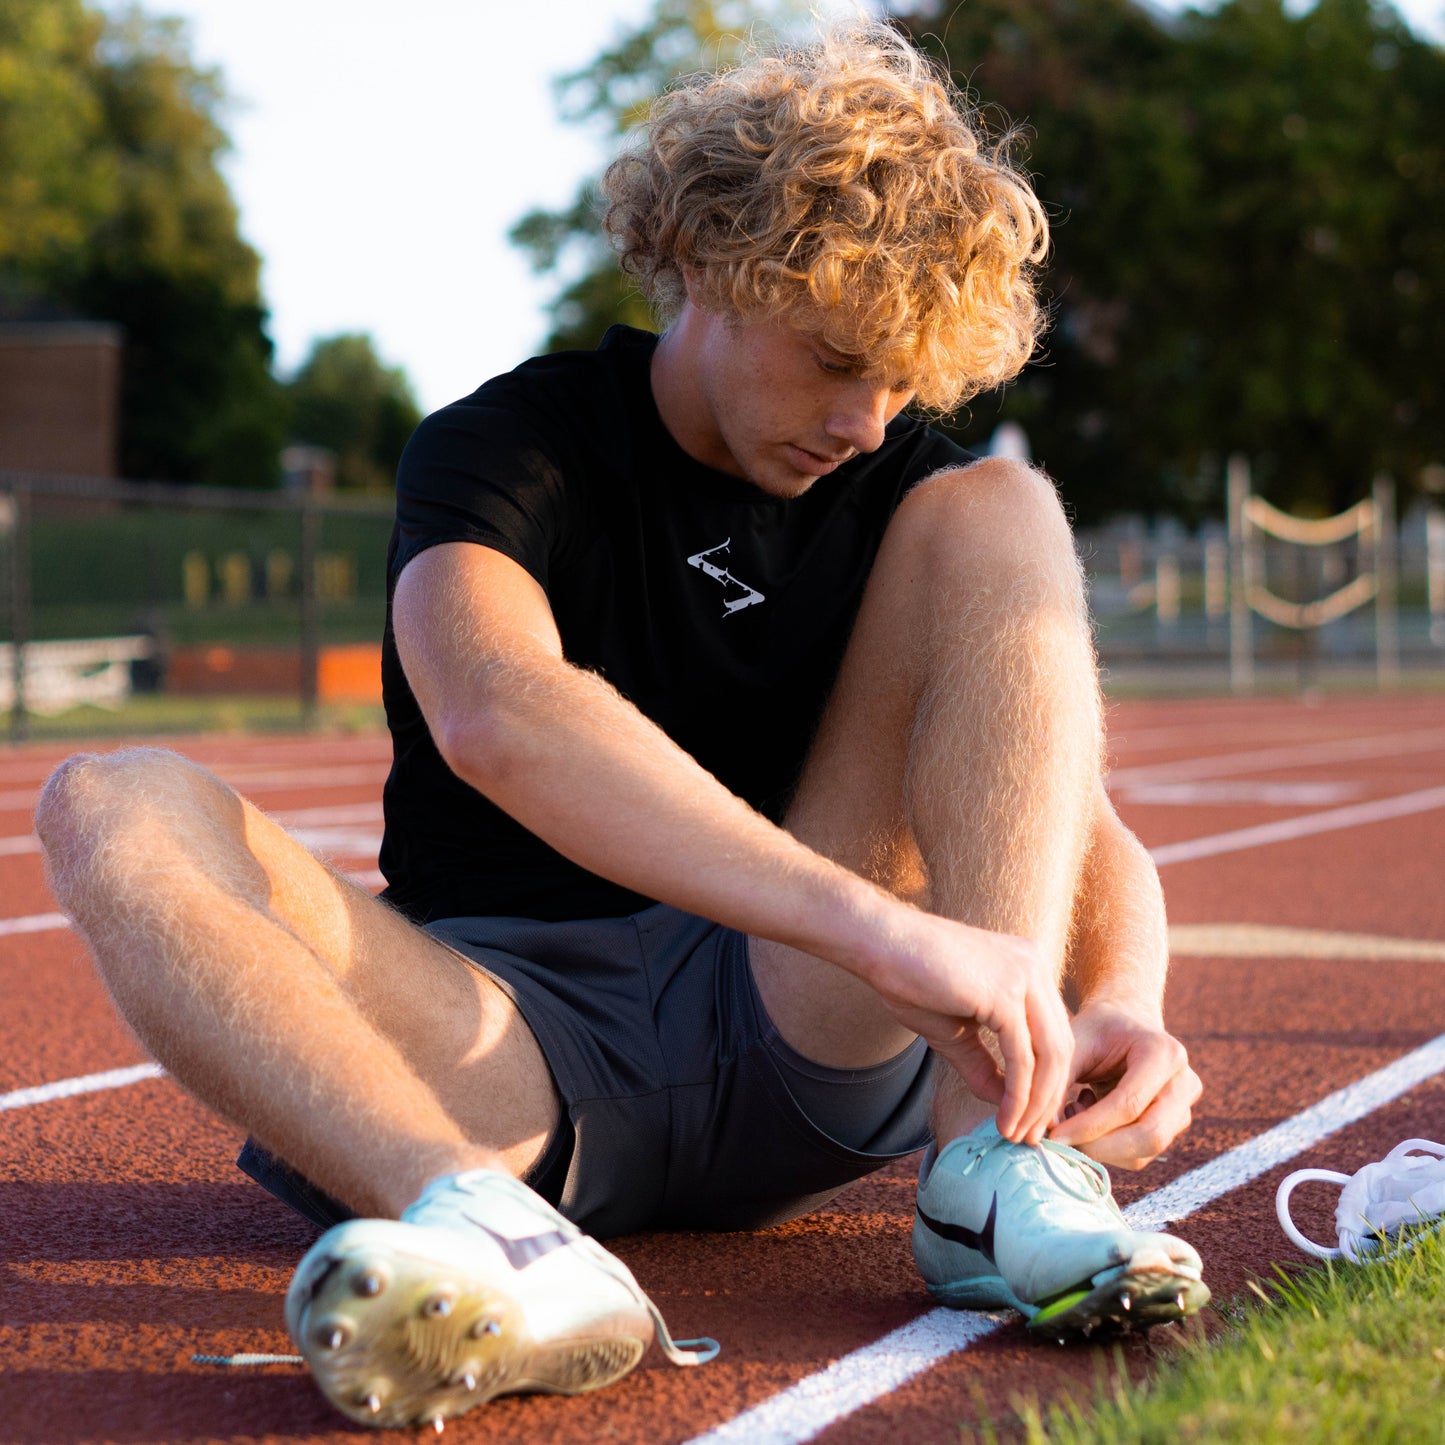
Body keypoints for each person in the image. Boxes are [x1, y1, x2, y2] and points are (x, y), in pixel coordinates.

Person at [34, 21, 1207, 1433]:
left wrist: (1124, 989)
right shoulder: (509, 446)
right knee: (108, 795)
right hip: (510, 1051)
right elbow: (494, 709)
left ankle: (988, 1175)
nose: (865, 414)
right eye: (836, 354)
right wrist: (878, 927)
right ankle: (480, 1228)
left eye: (903, 377)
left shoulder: (918, 501)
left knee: (1007, 507)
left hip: (806, 1032)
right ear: (711, 265)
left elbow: (1066, 815)